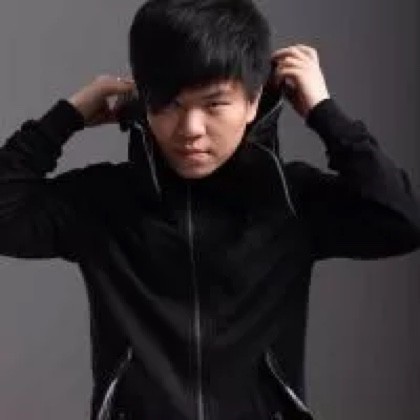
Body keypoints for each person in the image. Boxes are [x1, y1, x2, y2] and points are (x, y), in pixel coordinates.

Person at [1, 0, 419, 418]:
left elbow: (402, 221)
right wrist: (67, 116)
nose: (190, 130)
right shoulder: (106, 203)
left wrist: (323, 111)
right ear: (143, 101)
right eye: (169, 104)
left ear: (253, 101)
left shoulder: (288, 199)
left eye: (215, 104)